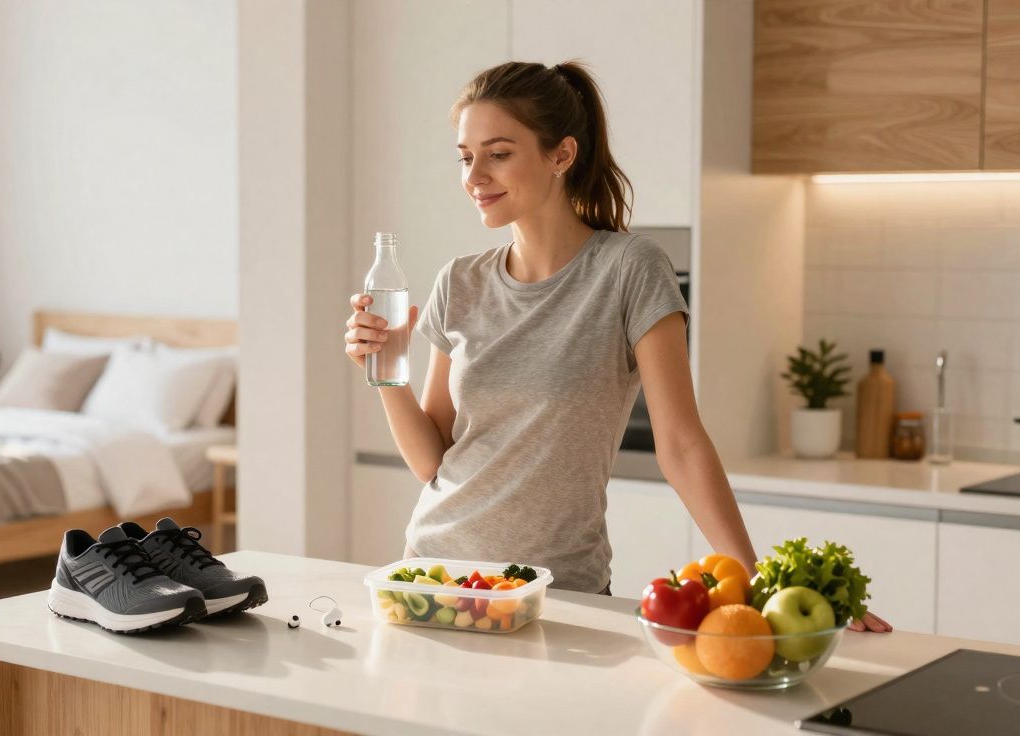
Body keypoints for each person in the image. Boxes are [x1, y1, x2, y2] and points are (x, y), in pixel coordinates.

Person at [343, 60, 890, 632]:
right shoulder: (460, 281)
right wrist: (386, 373)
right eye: (465, 156)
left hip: (555, 596)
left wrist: (760, 581)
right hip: (434, 579)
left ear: (562, 154)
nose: (474, 175)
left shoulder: (629, 269)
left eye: (498, 153)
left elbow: (680, 444)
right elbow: (433, 460)